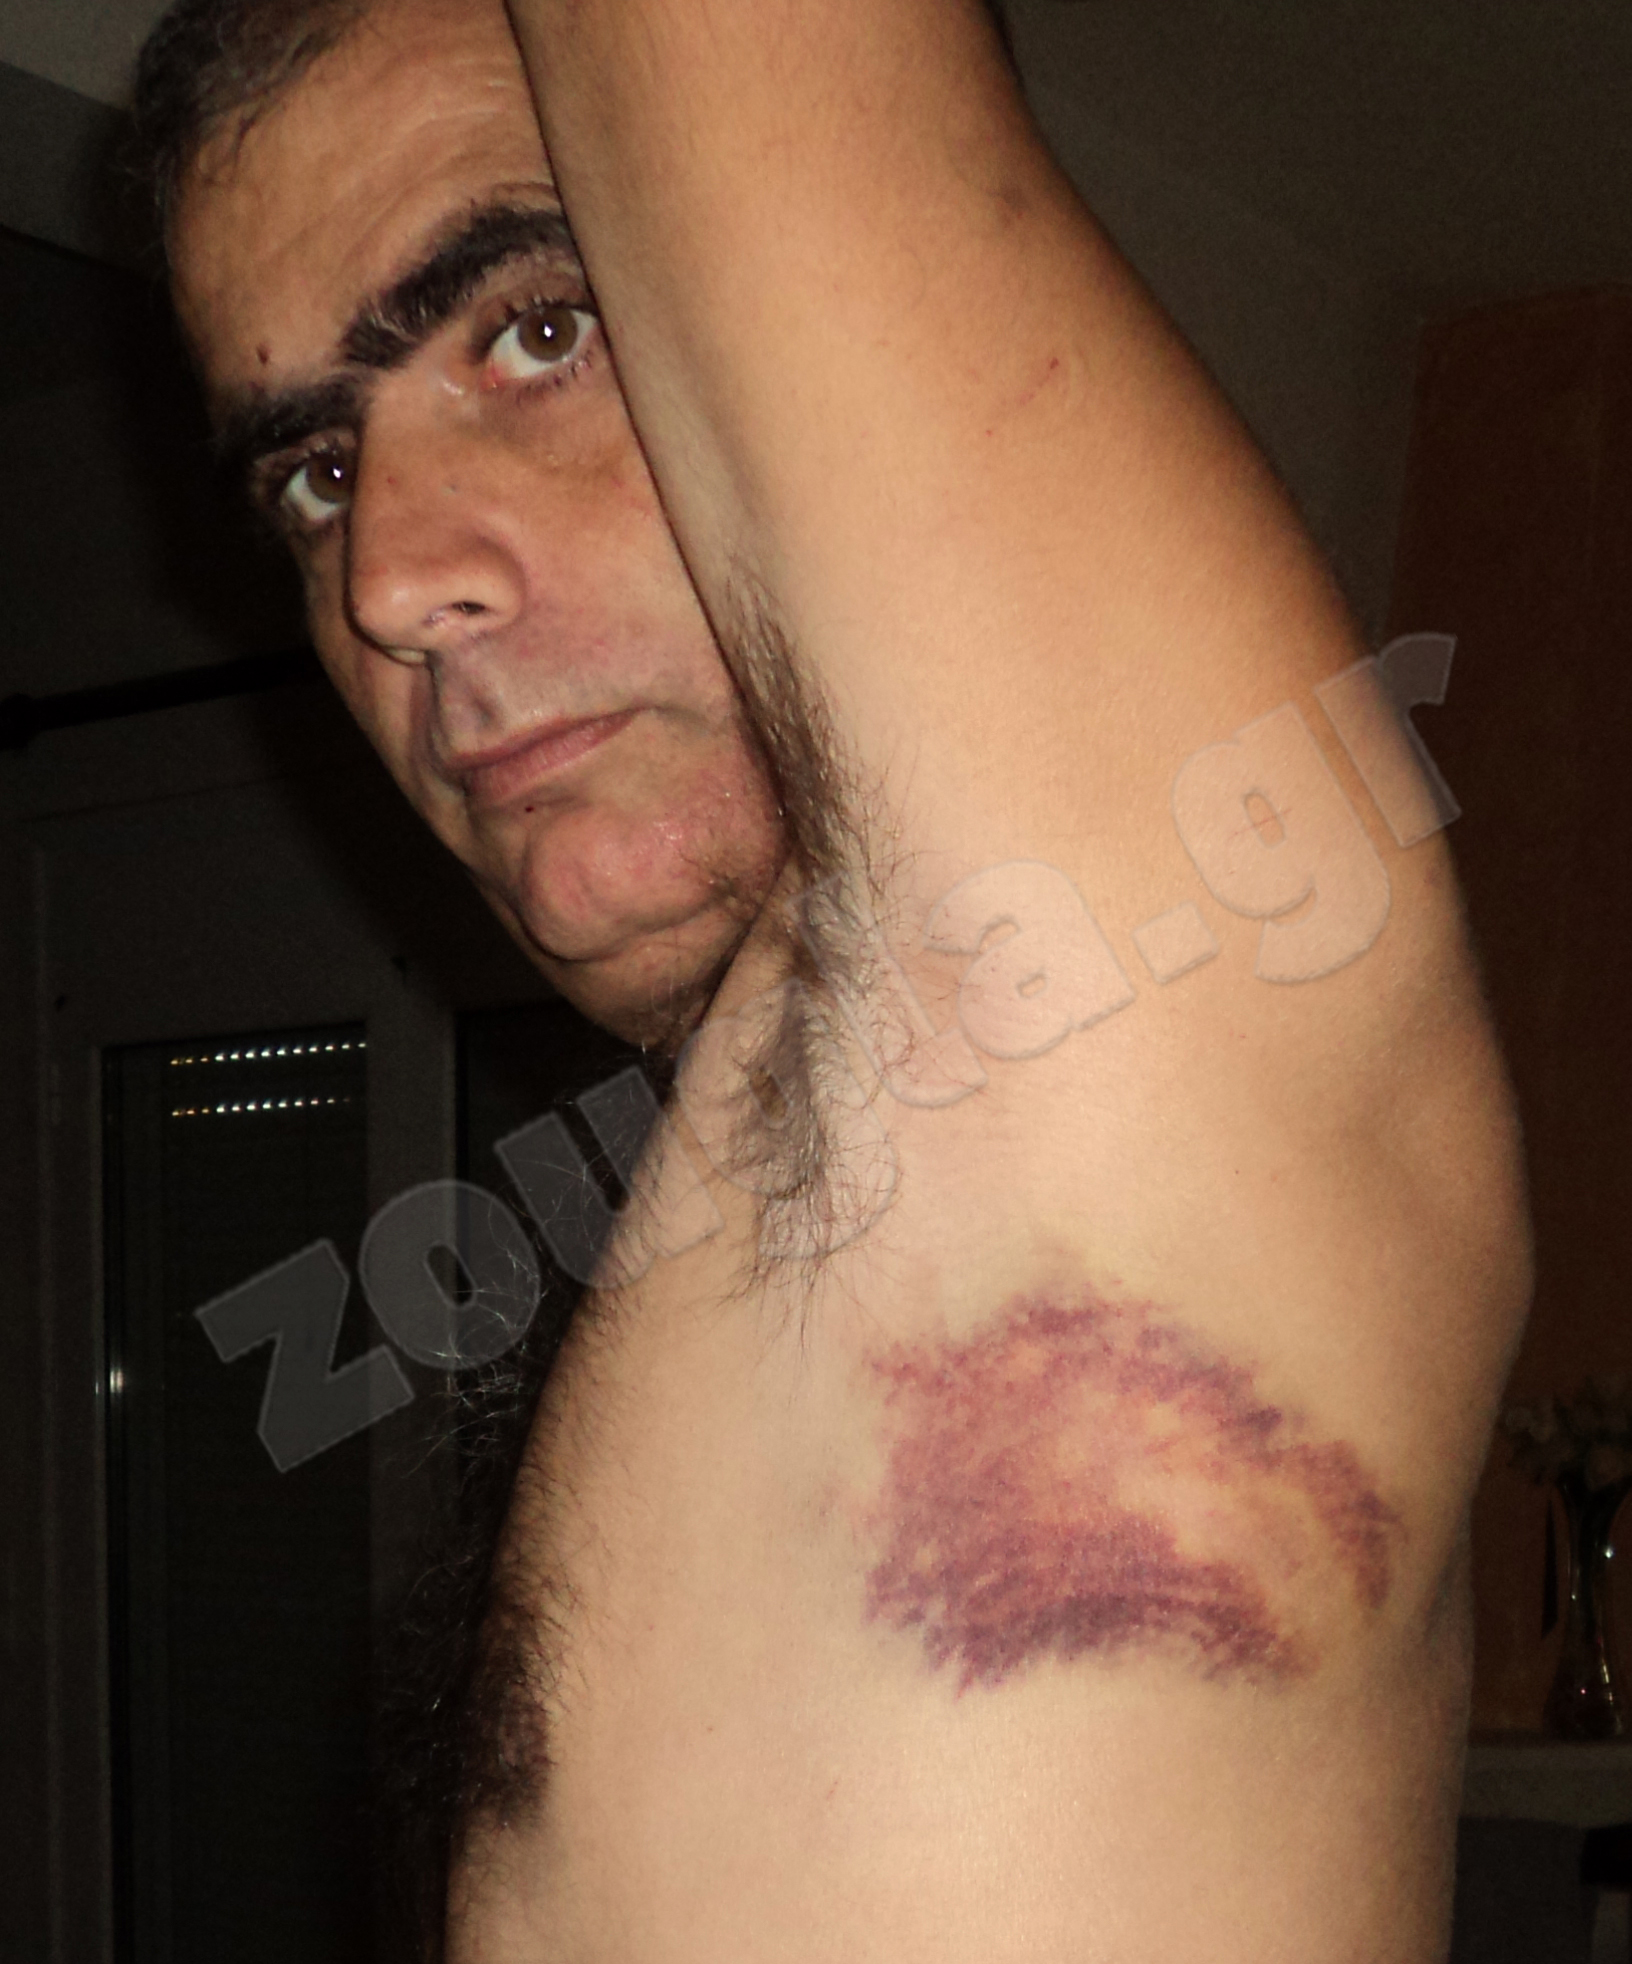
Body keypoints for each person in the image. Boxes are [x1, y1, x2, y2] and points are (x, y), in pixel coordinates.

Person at [135, 0, 1530, 1956]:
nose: (385, 579)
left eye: (538, 329)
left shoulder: (1150, 959)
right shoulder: (737, 1210)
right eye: (311, 473)